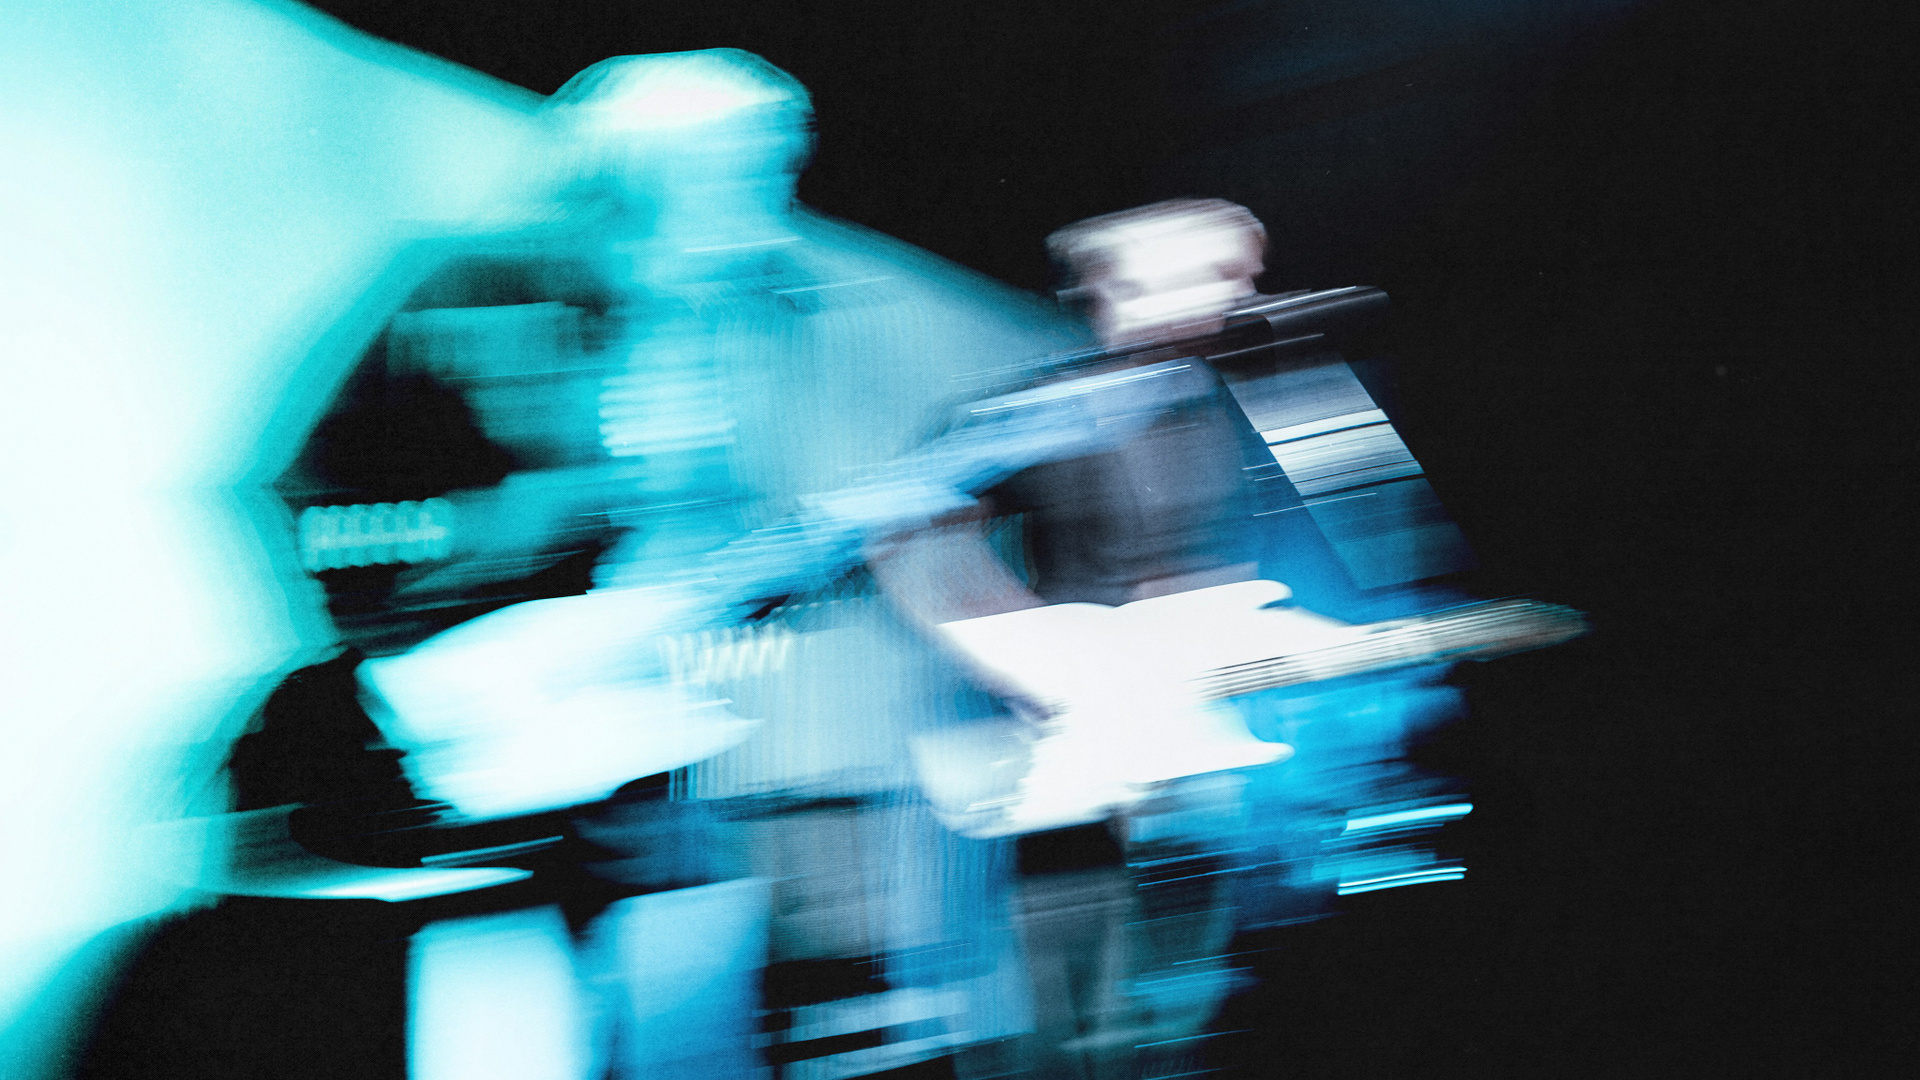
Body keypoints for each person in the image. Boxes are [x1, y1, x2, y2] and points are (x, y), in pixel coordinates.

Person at [870, 198, 1475, 1078]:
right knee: (1064, 1013)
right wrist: (1025, 656)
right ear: (1108, 287)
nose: (1234, 291)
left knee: (1184, 1004)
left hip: (1214, 742)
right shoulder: (1039, 407)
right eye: (1202, 272)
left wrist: (1353, 649)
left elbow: (1356, 555)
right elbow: (904, 530)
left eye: (1235, 273)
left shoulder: (1271, 392)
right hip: (1074, 754)